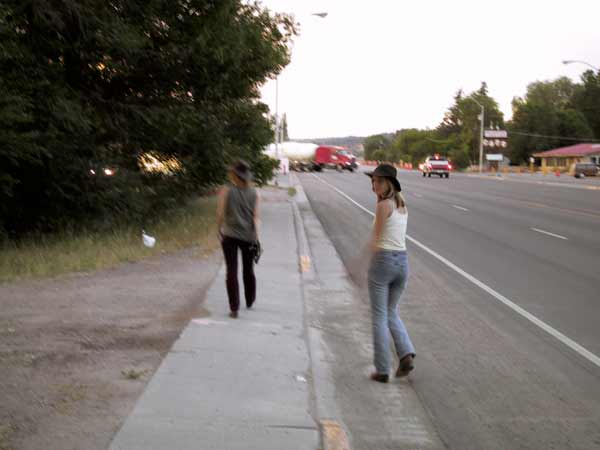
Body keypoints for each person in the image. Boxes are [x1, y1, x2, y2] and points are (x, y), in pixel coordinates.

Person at [365, 163, 415, 383]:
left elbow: (375, 241)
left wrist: (358, 264)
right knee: (391, 311)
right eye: (372, 180)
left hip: (383, 261)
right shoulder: (401, 205)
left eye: (377, 181)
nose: (373, 184)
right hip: (402, 262)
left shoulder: (384, 205)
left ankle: (382, 369)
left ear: (387, 183)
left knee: (379, 317)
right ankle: (405, 354)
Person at [216, 160, 260, 318]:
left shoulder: (226, 191)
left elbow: (220, 213)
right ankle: (249, 300)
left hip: (230, 236)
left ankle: (234, 308)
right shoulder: (255, 193)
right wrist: (257, 238)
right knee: (248, 269)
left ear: (234, 174)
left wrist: (218, 229)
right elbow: (256, 218)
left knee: (231, 271)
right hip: (248, 236)